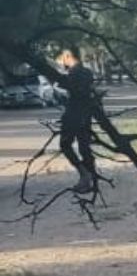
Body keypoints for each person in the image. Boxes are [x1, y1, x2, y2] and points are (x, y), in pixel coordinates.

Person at [56, 45, 98, 194]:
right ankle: (91, 177)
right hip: (86, 114)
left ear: (68, 56)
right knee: (84, 147)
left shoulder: (71, 74)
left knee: (65, 144)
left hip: (73, 113)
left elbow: (72, 94)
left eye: (62, 57)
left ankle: (83, 174)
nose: (61, 61)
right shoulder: (88, 72)